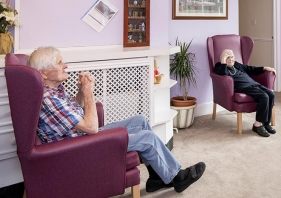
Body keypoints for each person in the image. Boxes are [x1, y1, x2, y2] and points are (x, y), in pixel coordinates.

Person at [27, 46, 206, 194]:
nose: (65, 65)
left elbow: (74, 108)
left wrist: (81, 91)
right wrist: (89, 92)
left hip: (81, 137)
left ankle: (156, 178)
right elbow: (91, 127)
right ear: (43, 73)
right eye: (59, 63)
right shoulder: (49, 99)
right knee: (147, 138)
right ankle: (178, 178)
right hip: (78, 148)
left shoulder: (54, 91)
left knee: (140, 120)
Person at [214, 49, 276, 137]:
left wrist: (264, 68)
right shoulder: (219, 66)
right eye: (228, 57)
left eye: (232, 57)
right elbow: (224, 73)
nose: (231, 59)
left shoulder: (236, 65)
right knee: (264, 96)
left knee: (271, 94)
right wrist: (223, 61)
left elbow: (249, 68)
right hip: (243, 87)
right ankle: (257, 125)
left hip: (254, 84)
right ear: (223, 59)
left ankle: (265, 124)